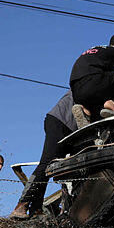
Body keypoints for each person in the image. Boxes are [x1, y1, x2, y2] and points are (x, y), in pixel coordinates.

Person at [9, 91, 77, 219]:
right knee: (47, 164)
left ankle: (36, 209)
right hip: (61, 122)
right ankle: (22, 205)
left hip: (72, 130)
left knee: (52, 168)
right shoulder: (94, 82)